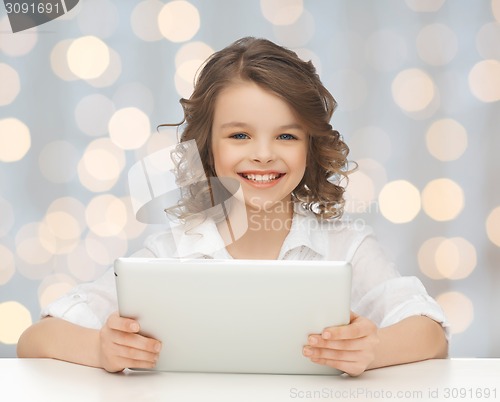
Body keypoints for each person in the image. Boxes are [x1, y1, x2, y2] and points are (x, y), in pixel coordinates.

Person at [17, 37, 449, 376]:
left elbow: (431, 335)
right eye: (239, 135)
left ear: (311, 148)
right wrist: (99, 348)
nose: (262, 154)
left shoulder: (346, 248)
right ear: (207, 149)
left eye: (286, 136)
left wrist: (372, 350)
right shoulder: (170, 255)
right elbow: (35, 340)